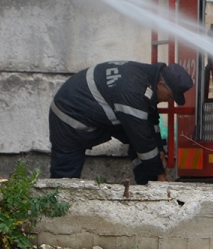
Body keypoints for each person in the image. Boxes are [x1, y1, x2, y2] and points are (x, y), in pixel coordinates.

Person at [49, 61, 193, 185]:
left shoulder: (147, 77)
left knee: (148, 145)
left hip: (99, 111)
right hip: (68, 117)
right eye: (170, 97)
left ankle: (148, 187)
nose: (169, 101)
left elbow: (150, 117)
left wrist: (160, 149)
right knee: (65, 178)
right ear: (161, 85)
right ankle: (57, 208)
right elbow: (142, 138)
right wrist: (160, 174)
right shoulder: (132, 92)